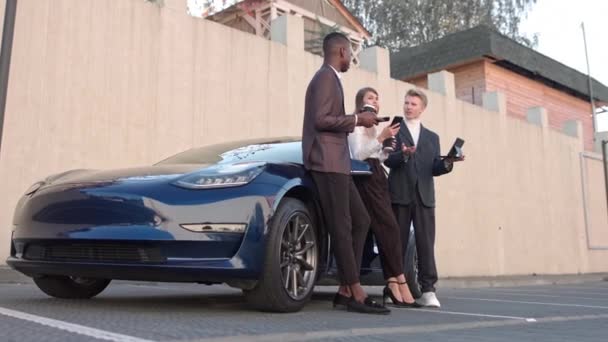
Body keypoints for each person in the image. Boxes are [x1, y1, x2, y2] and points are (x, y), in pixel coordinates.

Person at [302, 32, 389, 314]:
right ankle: (356, 292)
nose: (351, 57)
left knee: (361, 219)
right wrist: (357, 120)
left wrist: (362, 120)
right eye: (350, 52)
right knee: (341, 224)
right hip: (326, 161)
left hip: (338, 163)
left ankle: (343, 289)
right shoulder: (325, 78)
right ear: (341, 51)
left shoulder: (330, 79)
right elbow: (321, 120)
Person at [384, 88, 464, 308]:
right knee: (396, 243)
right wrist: (404, 155)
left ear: (422, 108)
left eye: (413, 104)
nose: (408, 107)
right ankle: (391, 288)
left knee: (426, 244)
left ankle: (428, 290)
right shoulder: (394, 131)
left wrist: (449, 162)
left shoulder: (432, 137)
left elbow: (434, 168)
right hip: (399, 194)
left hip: (425, 197)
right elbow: (387, 160)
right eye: (406, 103)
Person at [348, 87, 419, 307]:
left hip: (378, 174)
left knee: (389, 229)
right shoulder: (355, 125)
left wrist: (389, 147)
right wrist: (381, 137)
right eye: (371, 98)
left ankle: (394, 280)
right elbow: (358, 155)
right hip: (364, 177)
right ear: (361, 103)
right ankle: (399, 280)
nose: (375, 102)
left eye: (377, 99)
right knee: (388, 227)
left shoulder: (375, 127)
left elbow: (378, 155)